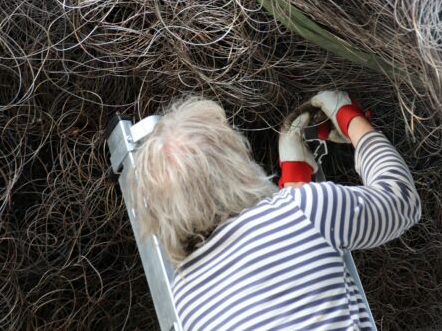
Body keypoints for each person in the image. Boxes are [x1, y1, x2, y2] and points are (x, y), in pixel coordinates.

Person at [129, 91, 421, 330]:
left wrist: (295, 174)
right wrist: (351, 120)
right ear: (236, 168)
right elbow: (401, 200)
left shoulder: (186, 300)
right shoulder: (306, 209)